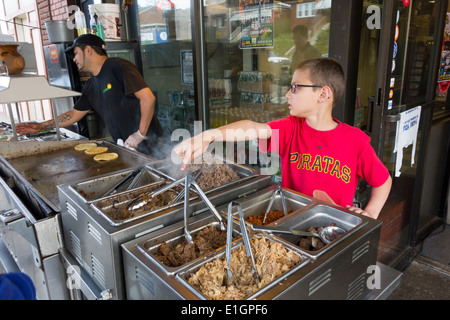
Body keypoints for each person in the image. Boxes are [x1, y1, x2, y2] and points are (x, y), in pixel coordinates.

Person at [174, 58, 392, 219]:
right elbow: (252, 128)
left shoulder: (354, 140)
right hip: (291, 221)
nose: (288, 94)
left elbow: (383, 181)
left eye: (295, 87)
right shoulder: (291, 128)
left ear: (323, 94)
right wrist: (209, 135)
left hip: (334, 229)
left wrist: (370, 213)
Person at [16, 34, 166, 159]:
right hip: (127, 148)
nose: (74, 59)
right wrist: (42, 126)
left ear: (88, 50)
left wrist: (140, 134)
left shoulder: (118, 66)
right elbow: (74, 115)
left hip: (151, 146)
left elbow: (148, 98)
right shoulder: (90, 85)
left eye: (75, 53)